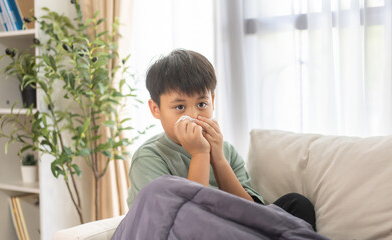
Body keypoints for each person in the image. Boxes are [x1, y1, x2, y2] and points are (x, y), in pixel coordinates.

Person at [127, 49, 316, 231]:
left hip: (232, 227)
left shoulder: (226, 150)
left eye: (202, 104)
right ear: (155, 109)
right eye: (179, 107)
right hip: (190, 231)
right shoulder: (149, 158)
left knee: (296, 204)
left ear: (213, 101)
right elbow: (184, 223)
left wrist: (218, 159)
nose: (193, 115)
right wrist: (200, 154)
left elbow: (252, 214)